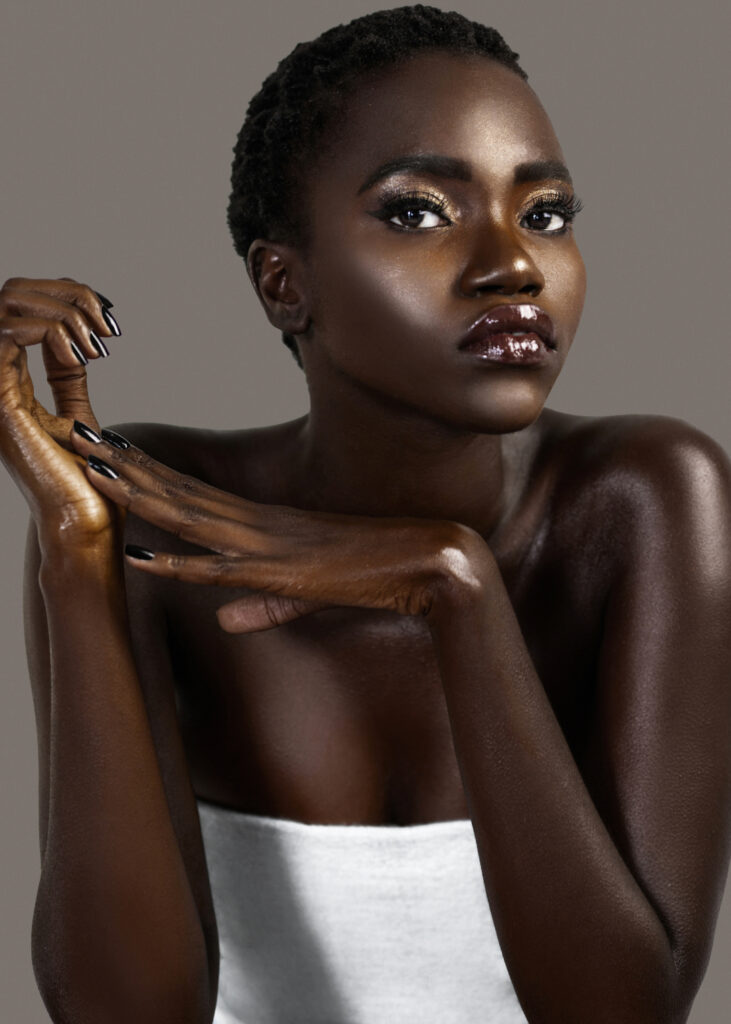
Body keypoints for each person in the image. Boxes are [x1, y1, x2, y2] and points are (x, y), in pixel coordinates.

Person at [1, 5, 728, 1023]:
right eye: (419, 212)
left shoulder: (644, 498)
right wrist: (77, 555)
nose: (513, 265)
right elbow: (123, 1013)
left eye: (545, 213)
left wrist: (454, 587)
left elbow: (625, 1012)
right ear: (283, 284)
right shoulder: (153, 508)